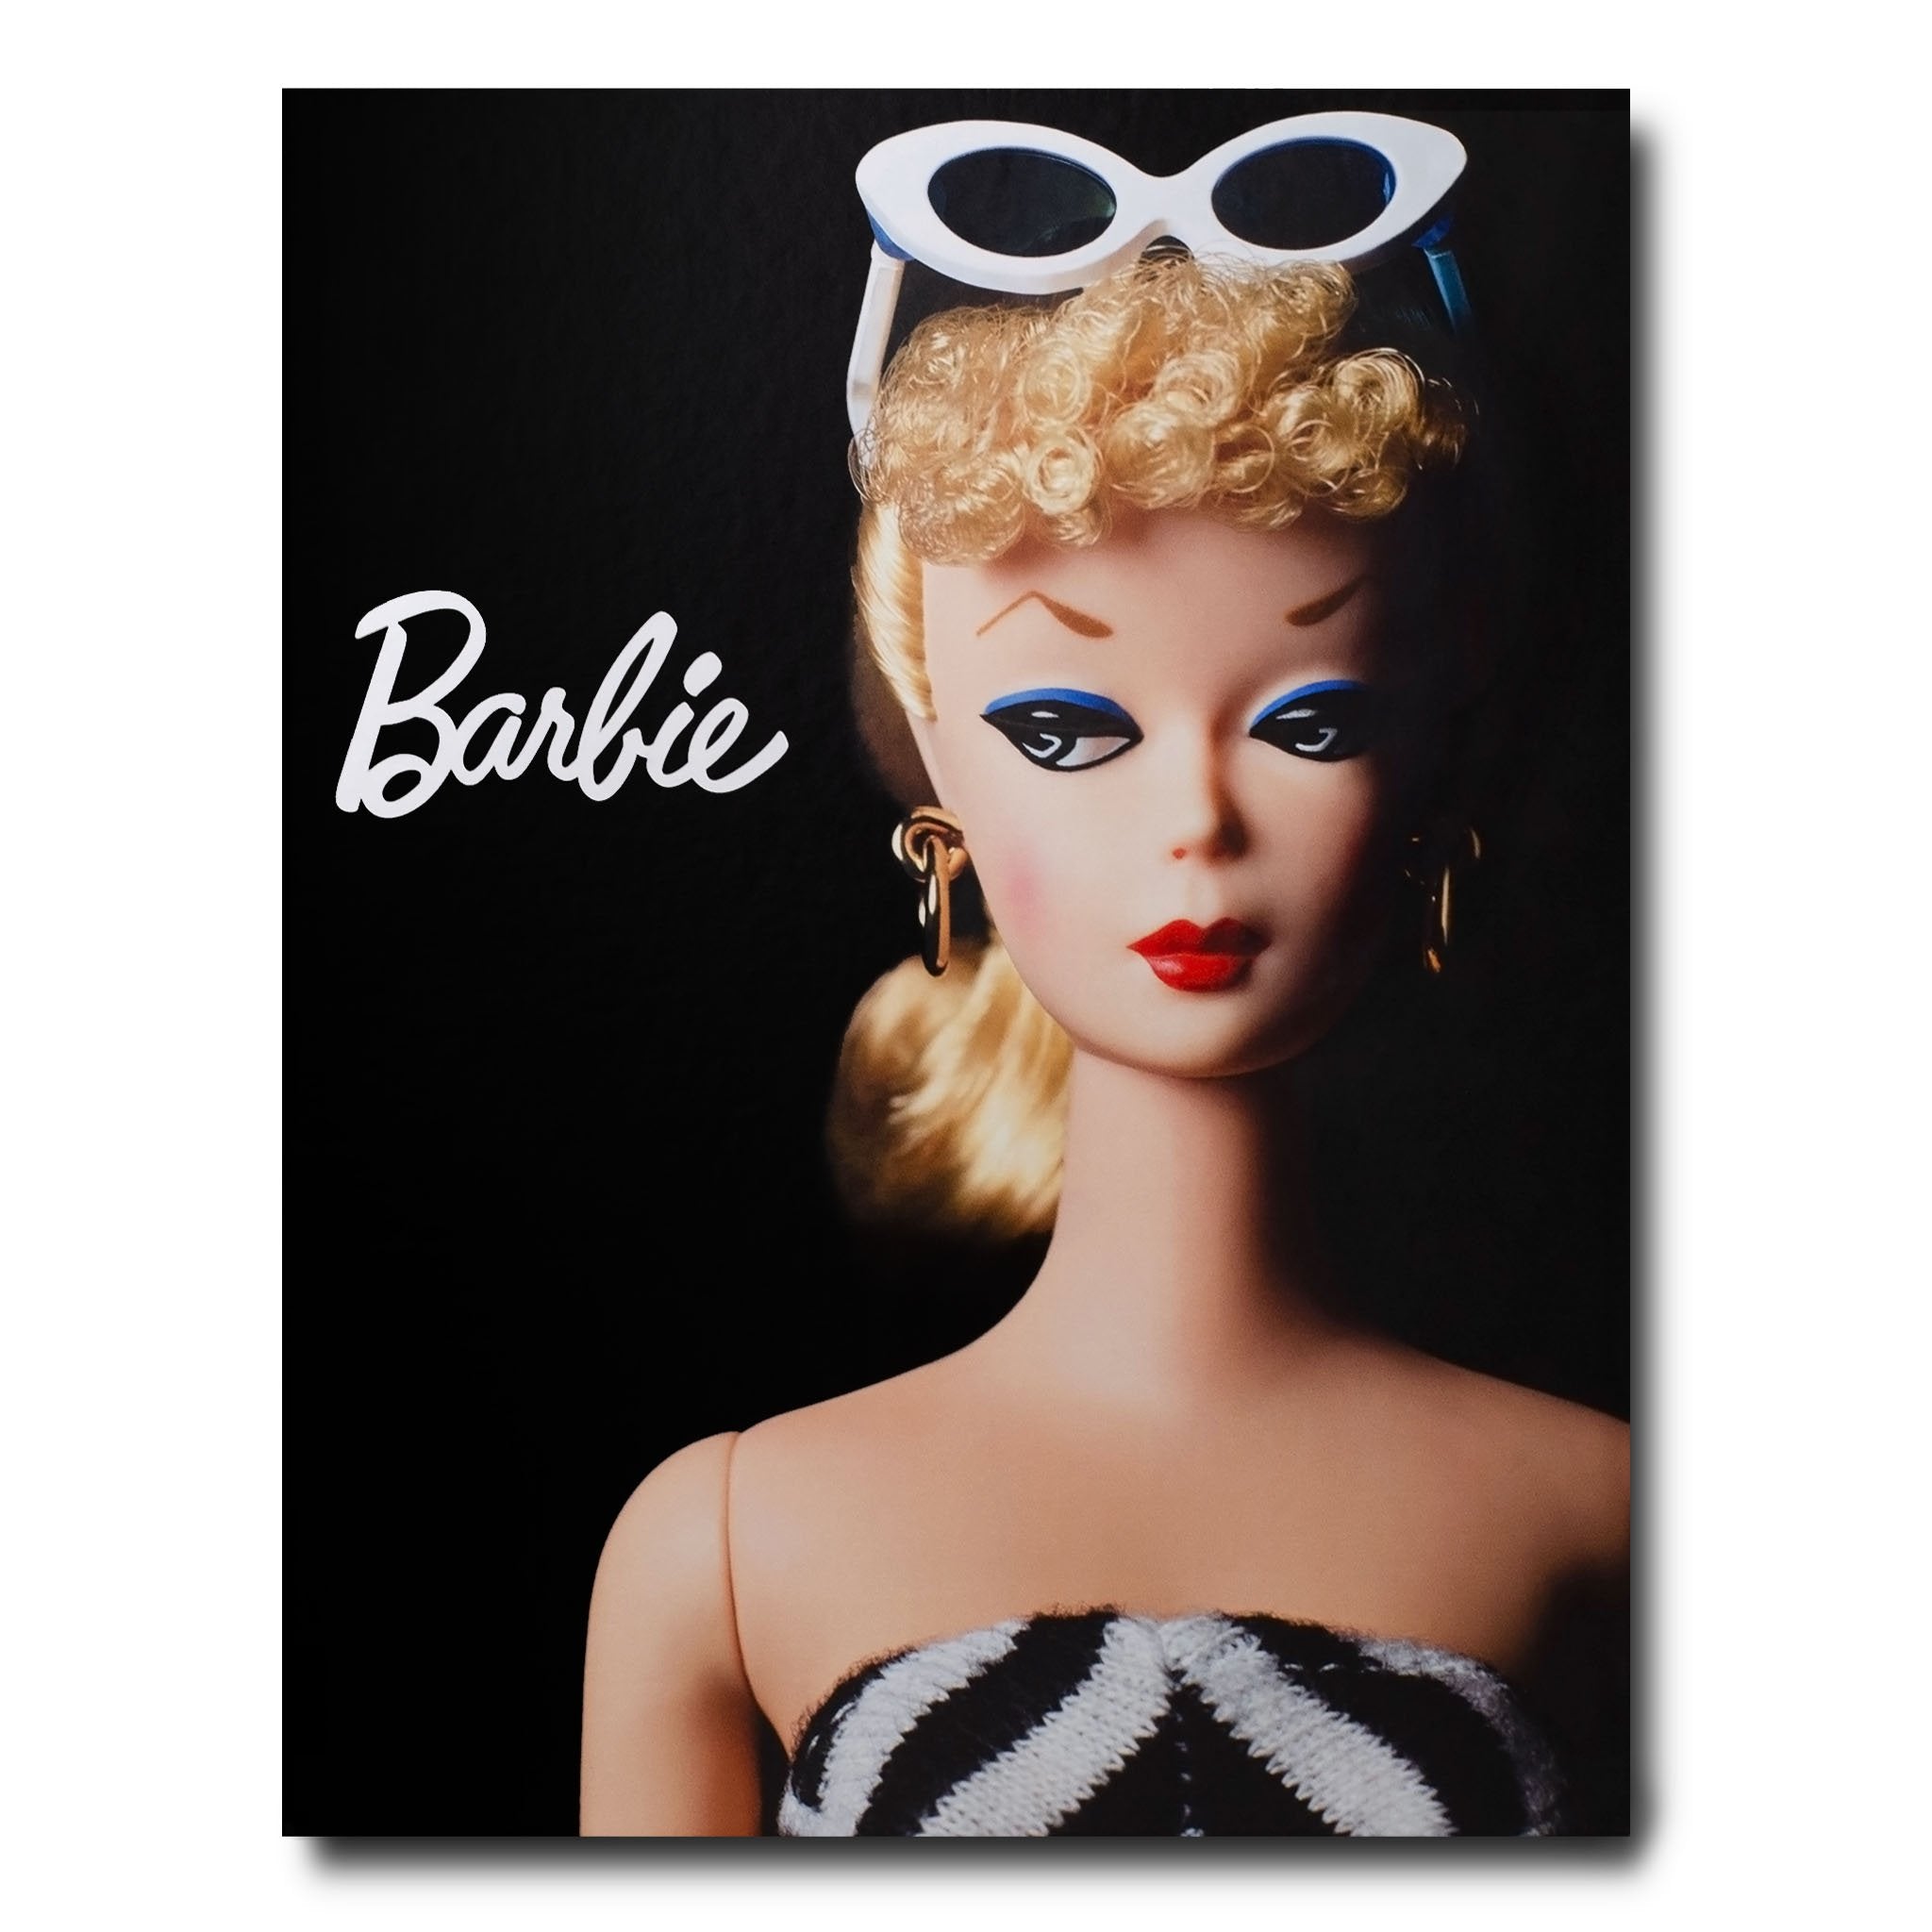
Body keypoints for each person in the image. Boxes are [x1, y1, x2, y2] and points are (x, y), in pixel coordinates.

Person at [581, 116, 1629, 1838]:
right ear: (936, 754)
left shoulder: (1615, 1529)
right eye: (1069, 731)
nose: (1199, 822)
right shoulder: (725, 1545)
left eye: (1311, 722)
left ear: (1431, 758)